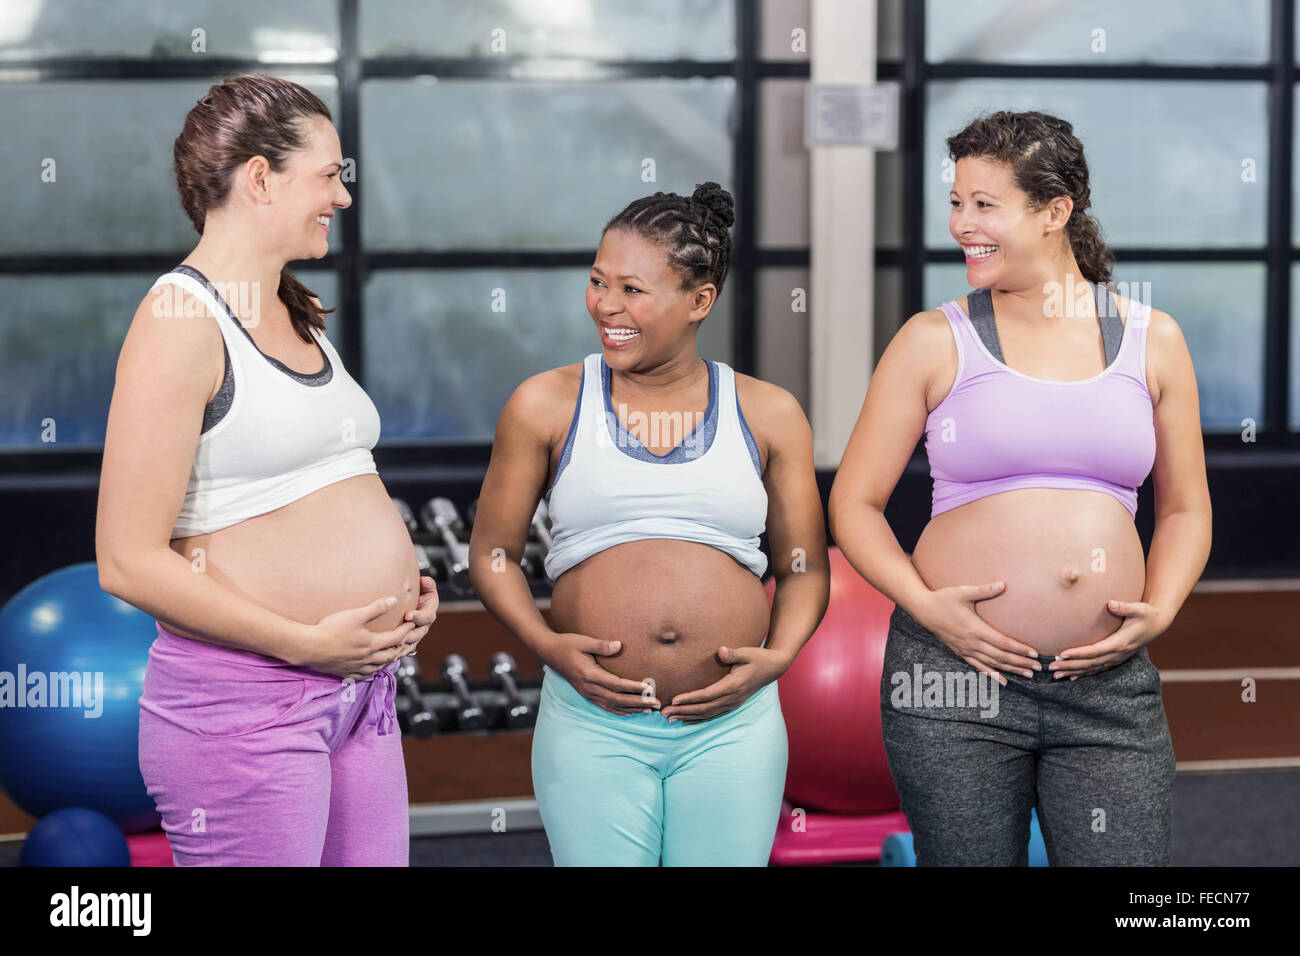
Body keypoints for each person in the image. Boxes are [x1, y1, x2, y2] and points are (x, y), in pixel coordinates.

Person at [828, 110, 1212, 865]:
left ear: (1055, 211)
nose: (961, 224)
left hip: (1105, 685)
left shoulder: (1152, 339)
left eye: (984, 205)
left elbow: (1185, 507)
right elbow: (854, 505)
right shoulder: (934, 339)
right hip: (955, 680)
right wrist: (927, 606)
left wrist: (1160, 608)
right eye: (956, 202)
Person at [95, 74, 438, 866]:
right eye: (329, 175)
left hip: (360, 699)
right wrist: (302, 642)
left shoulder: (293, 307)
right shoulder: (180, 321)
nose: (343, 197)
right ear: (260, 177)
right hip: (247, 707)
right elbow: (126, 560)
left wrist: (400, 600)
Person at [469, 182, 830, 866]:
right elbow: (490, 555)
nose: (607, 306)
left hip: (731, 727)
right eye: (598, 281)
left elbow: (804, 567)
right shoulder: (544, 404)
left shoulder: (769, 412)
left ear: (699, 301)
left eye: (632, 289)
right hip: (594, 723)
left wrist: (779, 656)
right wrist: (547, 645)